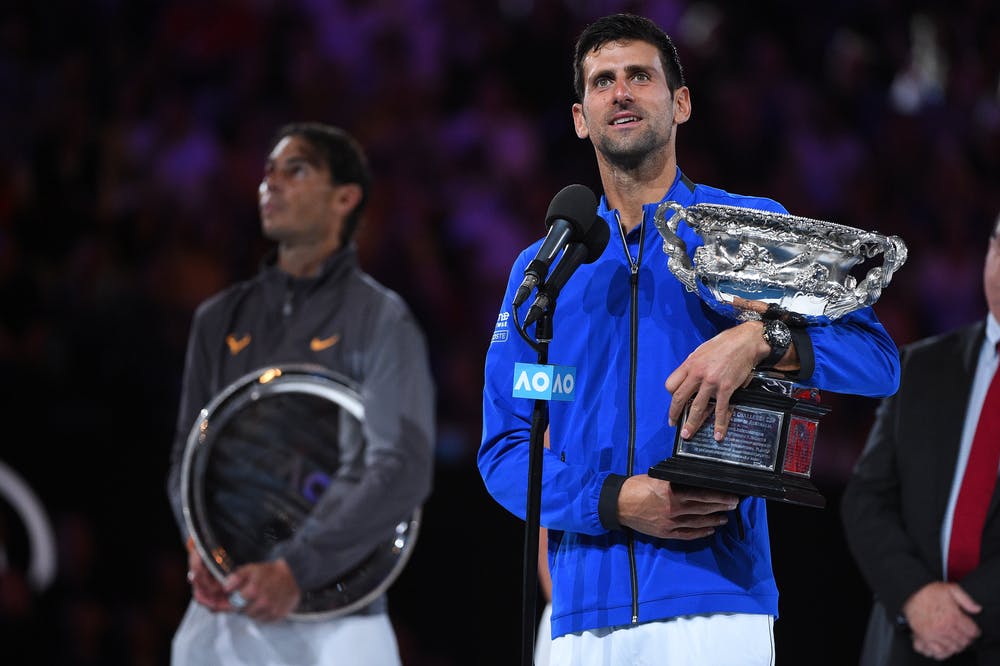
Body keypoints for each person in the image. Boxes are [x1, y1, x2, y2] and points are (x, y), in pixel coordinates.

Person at [478, 13, 901, 665]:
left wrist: (764, 339)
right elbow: (506, 449)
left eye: (640, 77)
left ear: (680, 103)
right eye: (602, 81)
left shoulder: (748, 230)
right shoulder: (546, 269)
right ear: (579, 117)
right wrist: (617, 501)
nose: (620, 92)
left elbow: (877, 362)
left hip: (718, 602)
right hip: (579, 617)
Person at [165, 122, 435, 665]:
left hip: (340, 622)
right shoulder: (217, 319)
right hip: (227, 611)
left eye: (296, 169)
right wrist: (200, 547)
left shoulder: (382, 319)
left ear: (344, 198)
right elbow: (188, 459)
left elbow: (399, 468)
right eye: (268, 171)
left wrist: (295, 569)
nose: (272, 182)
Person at [841, 212, 1000, 664]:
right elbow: (866, 499)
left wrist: (966, 608)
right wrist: (915, 596)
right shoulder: (920, 366)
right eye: (999, 246)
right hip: (905, 638)